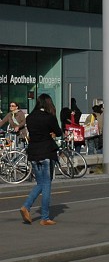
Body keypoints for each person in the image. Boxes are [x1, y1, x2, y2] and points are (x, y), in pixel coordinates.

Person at [19, 94, 61, 225]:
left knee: (40, 183)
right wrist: (52, 133)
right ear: (48, 103)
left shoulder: (30, 117)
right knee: (47, 184)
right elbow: (58, 132)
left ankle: (26, 206)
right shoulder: (49, 117)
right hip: (47, 152)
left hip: (33, 153)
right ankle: (45, 217)